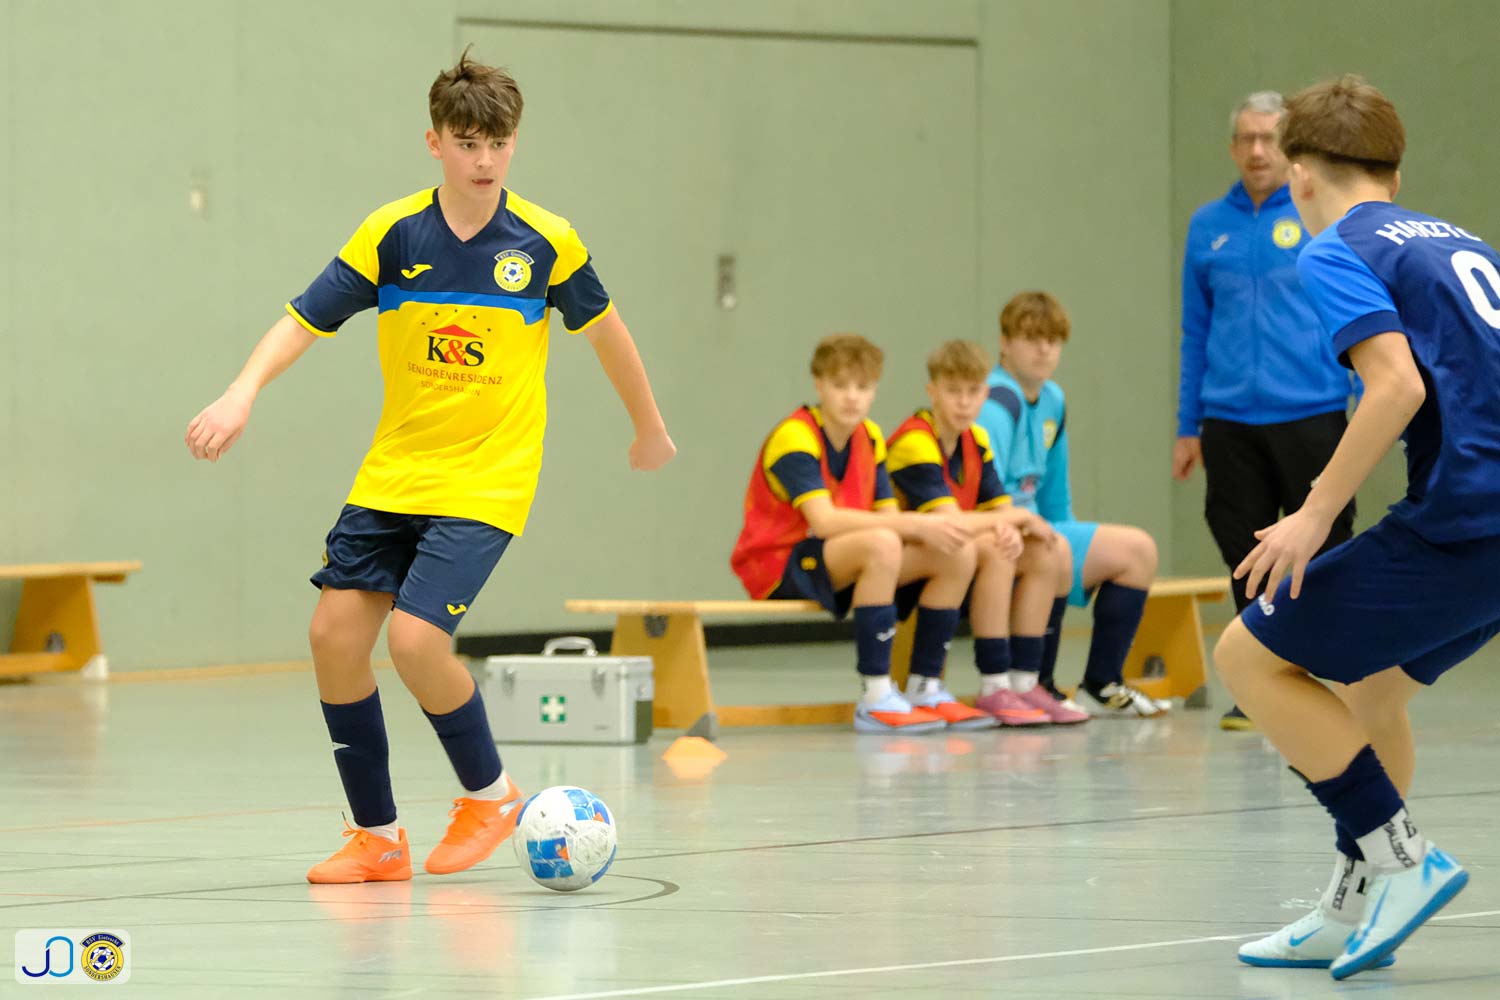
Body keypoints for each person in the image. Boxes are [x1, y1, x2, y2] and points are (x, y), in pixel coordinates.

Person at [184, 50, 675, 884]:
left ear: (514, 144)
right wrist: (242, 392)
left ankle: (490, 795)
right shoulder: (392, 234)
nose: (484, 160)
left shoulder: (547, 243)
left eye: (499, 144)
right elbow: (302, 319)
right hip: (394, 473)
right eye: (467, 143)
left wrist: (649, 428)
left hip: (487, 478)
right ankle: (377, 838)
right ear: (435, 142)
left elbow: (609, 335)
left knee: (415, 640)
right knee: (334, 639)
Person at [1216, 75, 1492, 979]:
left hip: (1466, 521)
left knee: (1248, 657)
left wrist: (1314, 512)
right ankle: (1353, 907)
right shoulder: (1462, 241)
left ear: (1298, 175)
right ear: (1395, 174)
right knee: (1372, 696)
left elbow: (1396, 385)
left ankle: (1404, 862)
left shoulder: (1336, 247)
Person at [1174, 90, 1356, 731]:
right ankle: (1259, 686)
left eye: (1269, 138)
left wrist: (1364, 398)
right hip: (1229, 420)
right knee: (1244, 551)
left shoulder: (1317, 217)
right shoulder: (1207, 225)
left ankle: (1323, 675)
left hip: (1312, 413)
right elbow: (1195, 330)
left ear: (1289, 148)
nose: (1257, 151)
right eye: (1246, 139)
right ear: (1232, 148)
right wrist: (1187, 425)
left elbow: (1352, 313)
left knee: (1322, 548)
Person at [729, 334, 981, 733]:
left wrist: (922, 529)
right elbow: (824, 521)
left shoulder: (870, 437)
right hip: (778, 565)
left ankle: (925, 686)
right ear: (819, 385)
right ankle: (875, 695)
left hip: (842, 558)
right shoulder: (795, 436)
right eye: (840, 385)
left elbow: (887, 514)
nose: (852, 397)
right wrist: (916, 523)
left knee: (956, 552)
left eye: (862, 387)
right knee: (883, 542)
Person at [978, 292, 1166, 719]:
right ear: (1004, 343)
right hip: (998, 528)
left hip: (1040, 524)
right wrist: (1052, 544)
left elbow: (1054, 494)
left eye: (1053, 340)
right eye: (1031, 338)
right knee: (1057, 548)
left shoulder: (1053, 399)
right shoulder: (996, 402)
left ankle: (1101, 683)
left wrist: (1070, 552)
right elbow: (985, 493)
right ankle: (1036, 682)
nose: (1044, 349)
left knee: (1137, 551)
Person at [886, 340, 1087, 725]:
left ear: (985, 394)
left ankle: (1024, 681)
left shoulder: (975, 440)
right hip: (906, 565)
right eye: (953, 391)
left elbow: (999, 506)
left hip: (953, 558)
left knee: (1047, 548)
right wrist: (1009, 522)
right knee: (995, 545)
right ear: (932, 392)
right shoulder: (916, 441)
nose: (964, 403)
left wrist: (1011, 523)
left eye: (973, 392)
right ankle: (992, 684)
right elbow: (949, 522)